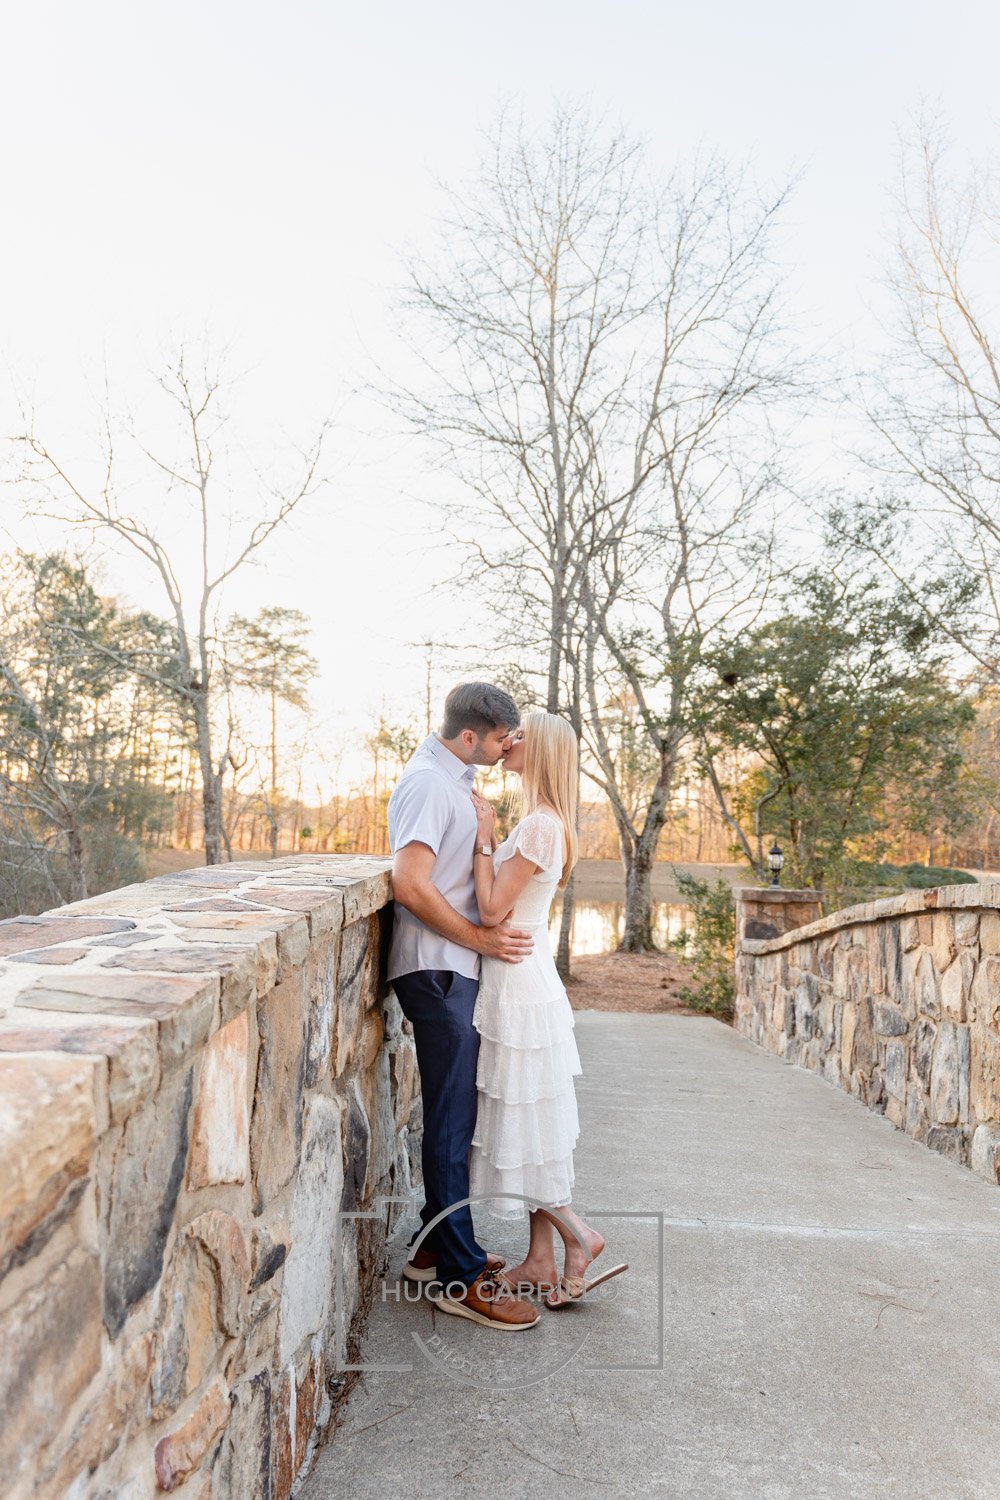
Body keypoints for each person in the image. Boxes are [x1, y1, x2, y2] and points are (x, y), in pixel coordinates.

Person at [387, 682, 540, 1331]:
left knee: (459, 1118)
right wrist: (478, 938)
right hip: (435, 969)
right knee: (450, 1127)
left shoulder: (454, 785)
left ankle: (431, 1247)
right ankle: (460, 1277)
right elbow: (410, 885)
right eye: (505, 737)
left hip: (454, 968)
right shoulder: (426, 782)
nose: (511, 748)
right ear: (472, 737)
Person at [468, 711, 628, 1308]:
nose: (509, 742)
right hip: (526, 978)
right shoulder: (545, 822)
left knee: (521, 1119)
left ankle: (578, 1235)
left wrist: (485, 839)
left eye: (520, 737)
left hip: (517, 984)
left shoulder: (538, 826)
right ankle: (539, 1260)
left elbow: (490, 912)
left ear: (543, 753)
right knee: (536, 1120)